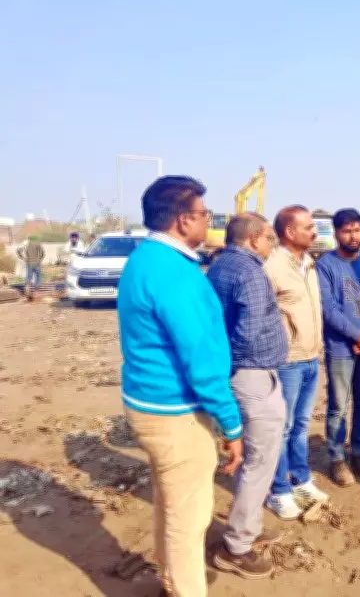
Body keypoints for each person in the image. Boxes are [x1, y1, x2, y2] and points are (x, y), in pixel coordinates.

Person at [117, 176, 244, 597]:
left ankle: (171, 581)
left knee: (170, 506)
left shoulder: (146, 257)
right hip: (175, 414)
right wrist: (231, 426)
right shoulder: (175, 274)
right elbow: (202, 362)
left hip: (147, 404)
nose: (209, 220)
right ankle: (183, 587)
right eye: (205, 213)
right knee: (188, 519)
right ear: (183, 219)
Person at [206, 213, 288, 579]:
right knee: (259, 461)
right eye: (270, 237)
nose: (272, 244)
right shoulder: (250, 272)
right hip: (252, 376)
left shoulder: (222, 265)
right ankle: (238, 545)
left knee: (256, 459)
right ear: (254, 239)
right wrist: (234, 366)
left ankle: (248, 527)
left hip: (242, 374)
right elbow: (247, 331)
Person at [316, 208, 360, 487]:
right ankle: (337, 459)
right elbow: (329, 309)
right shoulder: (325, 266)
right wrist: (358, 336)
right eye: (347, 230)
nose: (353, 235)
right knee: (338, 406)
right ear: (336, 233)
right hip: (341, 348)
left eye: (357, 229)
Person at [264, 205, 328, 520]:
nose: (314, 232)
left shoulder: (309, 264)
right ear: (290, 232)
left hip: (311, 358)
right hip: (287, 362)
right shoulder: (272, 266)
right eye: (308, 227)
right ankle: (278, 490)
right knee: (283, 427)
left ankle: (300, 479)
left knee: (301, 425)